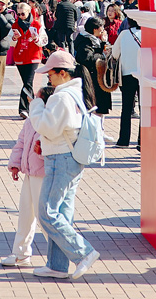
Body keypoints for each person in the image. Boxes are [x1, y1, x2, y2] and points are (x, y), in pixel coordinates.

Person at [28, 49, 99, 280]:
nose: (48, 78)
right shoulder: (75, 93)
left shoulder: (60, 97)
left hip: (60, 158)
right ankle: (57, 266)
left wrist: (36, 105)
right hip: (72, 157)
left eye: (50, 73)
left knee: (47, 212)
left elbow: (46, 126)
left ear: (62, 73)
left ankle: (83, 252)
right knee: (62, 212)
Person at [1, 109, 47, 269]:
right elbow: (21, 142)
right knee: (26, 213)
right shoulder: (31, 119)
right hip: (30, 172)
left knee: (45, 217)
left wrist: (42, 151)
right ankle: (21, 253)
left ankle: (60, 257)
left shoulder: (50, 116)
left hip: (43, 173)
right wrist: (15, 164)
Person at [8, 1, 47, 118]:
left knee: (28, 82)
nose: (20, 16)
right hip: (20, 57)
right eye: (18, 14)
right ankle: (33, 107)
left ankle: (24, 108)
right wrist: (14, 38)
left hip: (33, 56)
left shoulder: (36, 24)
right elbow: (10, 42)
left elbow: (44, 41)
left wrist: (36, 39)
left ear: (29, 12)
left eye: (23, 14)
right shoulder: (15, 25)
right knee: (27, 83)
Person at [115, 16, 142, 148]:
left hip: (127, 74)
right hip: (144, 75)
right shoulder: (149, 34)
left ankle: (123, 140)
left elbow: (115, 54)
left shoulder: (124, 34)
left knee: (126, 108)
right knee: (144, 108)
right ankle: (142, 140)